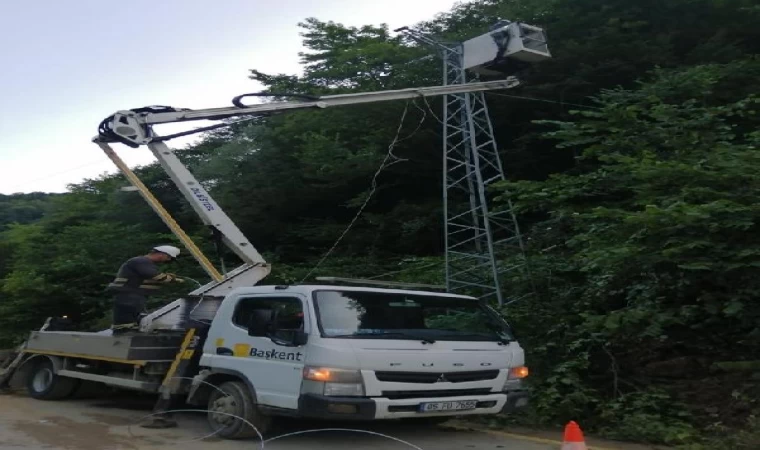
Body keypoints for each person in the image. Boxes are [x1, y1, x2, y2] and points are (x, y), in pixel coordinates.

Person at [106, 245, 185, 334]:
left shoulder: (145, 263)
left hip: (133, 296)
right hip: (128, 297)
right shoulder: (141, 261)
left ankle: (128, 335)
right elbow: (156, 276)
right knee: (125, 323)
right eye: (168, 258)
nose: (167, 261)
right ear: (161, 254)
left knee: (133, 320)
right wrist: (174, 280)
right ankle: (123, 339)